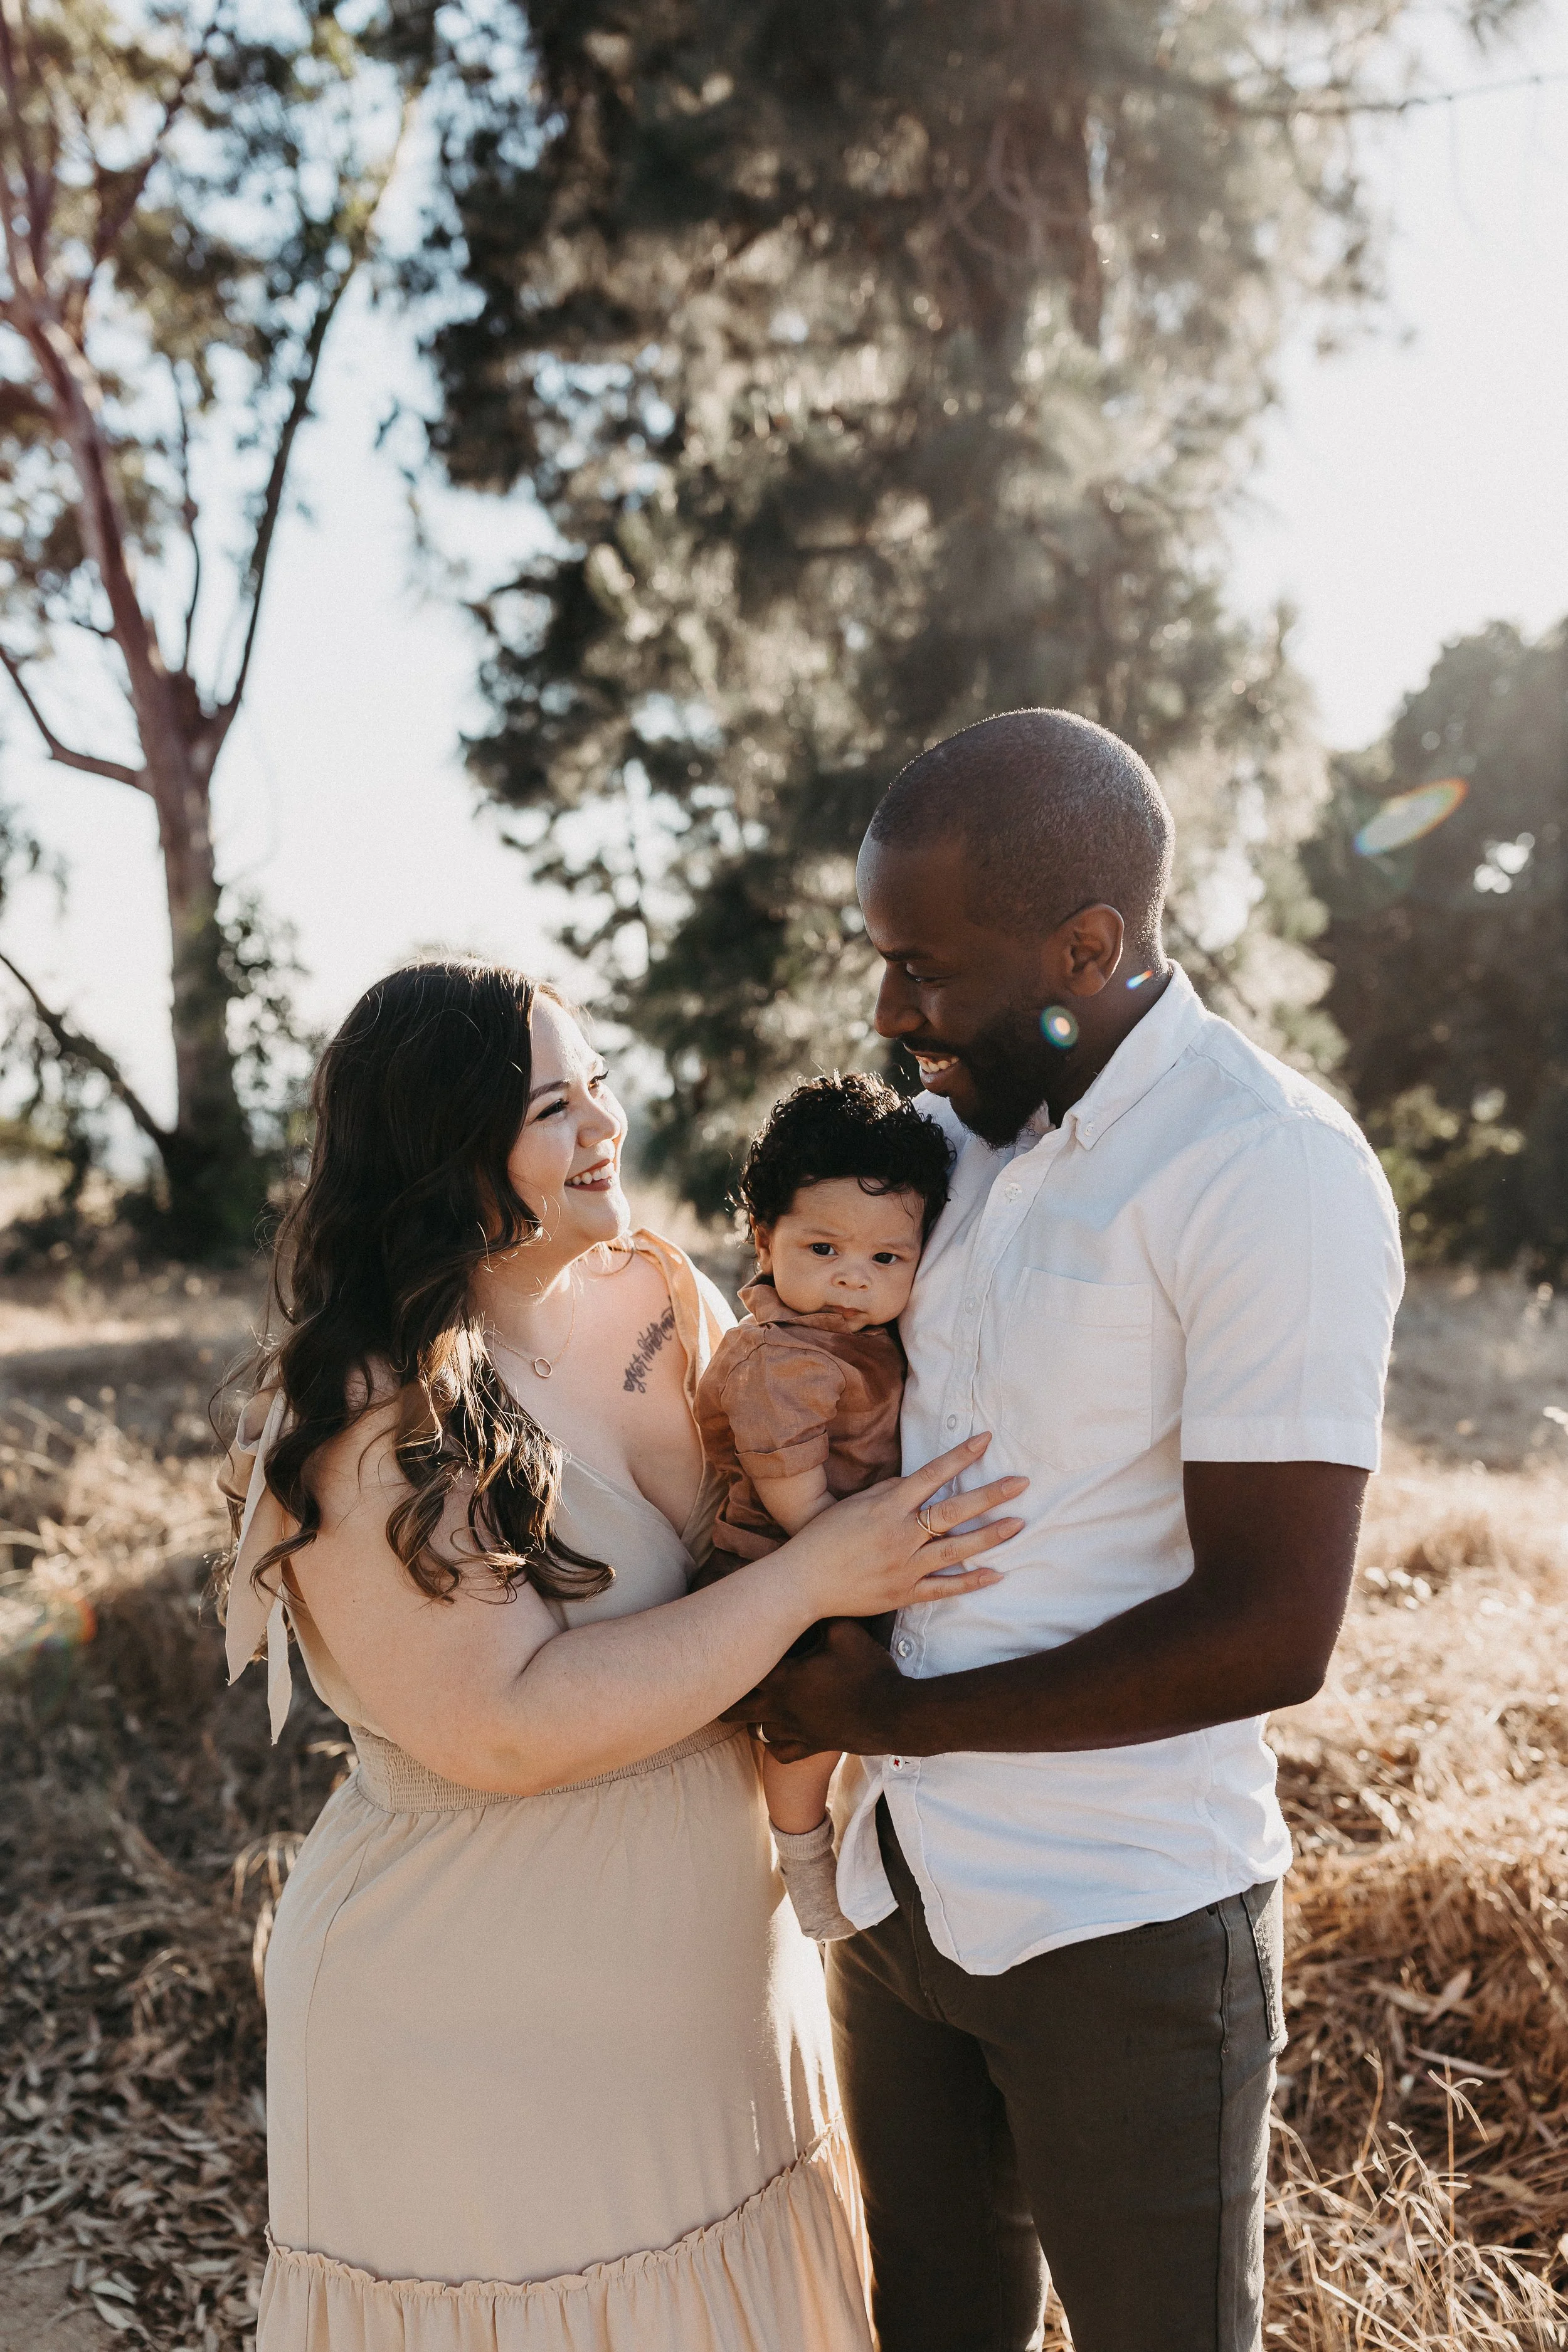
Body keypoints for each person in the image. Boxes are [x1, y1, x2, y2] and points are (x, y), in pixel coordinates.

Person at [218, 958, 1025, 2352]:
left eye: (598, 1083)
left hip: (714, 1981)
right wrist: (825, 1574)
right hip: (482, 2007)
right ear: (440, 1150)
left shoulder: (656, 1289)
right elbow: (504, 1727)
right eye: (552, 1105)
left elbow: (753, 1511)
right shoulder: (367, 1403)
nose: (604, 1126)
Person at [734, 711, 1406, 2352]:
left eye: (924, 970)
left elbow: (1271, 1628)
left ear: (1087, 944)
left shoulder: (1265, 1168)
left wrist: (883, 1712)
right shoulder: (947, 1146)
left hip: (1122, 1926)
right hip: (900, 1906)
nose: (889, 1014)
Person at [693, 1073, 952, 1939]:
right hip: (783, 1566)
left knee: (849, 1723)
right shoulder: (782, 1358)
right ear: (765, 1240)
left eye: (887, 1259)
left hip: (852, 1556)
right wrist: (877, 1571)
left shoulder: (861, 1337)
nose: (853, 1280)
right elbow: (798, 1500)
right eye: (823, 1250)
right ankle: (801, 1851)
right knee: (804, 1726)